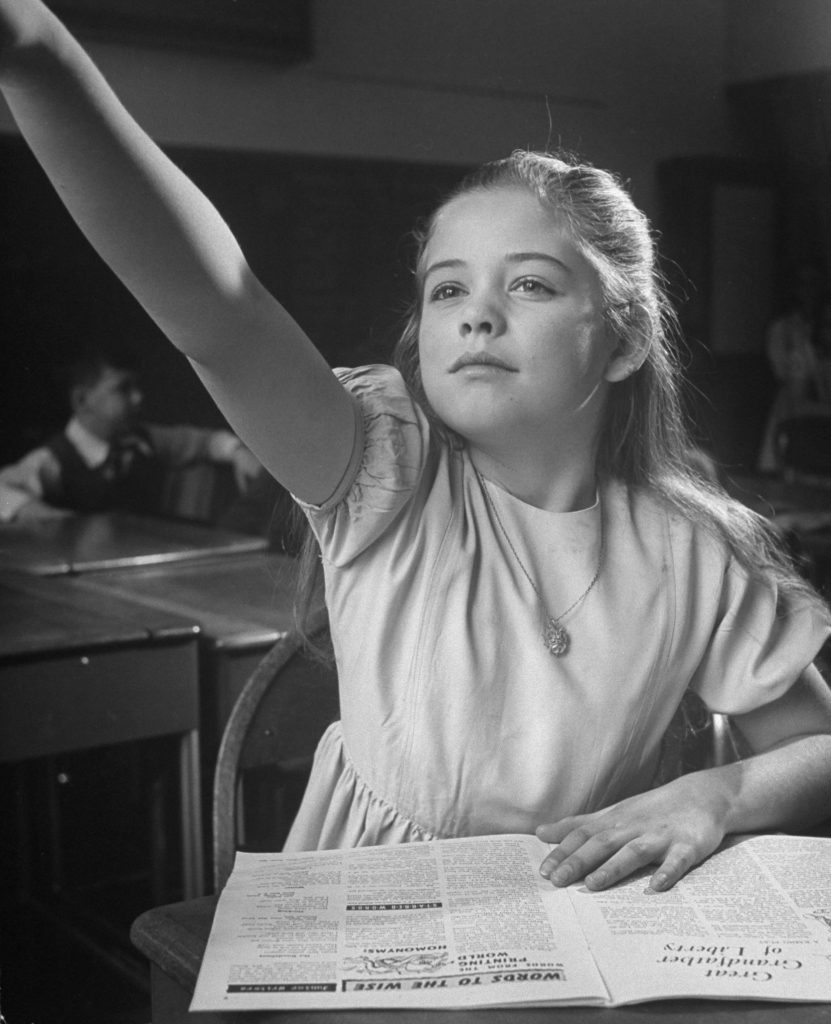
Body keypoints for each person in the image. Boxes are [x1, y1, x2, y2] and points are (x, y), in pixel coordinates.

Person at [2, 0, 831, 896]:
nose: (477, 311)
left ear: (625, 342)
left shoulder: (691, 547)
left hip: (581, 929)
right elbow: (217, 311)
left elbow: (817, 749)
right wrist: (36, 52)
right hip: (372, 917)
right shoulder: (382, 468)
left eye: (530, 283)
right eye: (446, 289)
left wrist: (717, 792)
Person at [0, 345, 261, 521]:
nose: (138, 398)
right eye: (123, 389)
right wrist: (48, 518)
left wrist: (237, 452)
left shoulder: (143, 439)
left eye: (136, 387)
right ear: (81, 400)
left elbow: (204, 443)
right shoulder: (55, 459)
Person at [757, 259, 831, 472]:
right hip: (800, 422)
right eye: (803, 283)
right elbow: (793, 391)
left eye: (814, 283)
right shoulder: (787, 334)